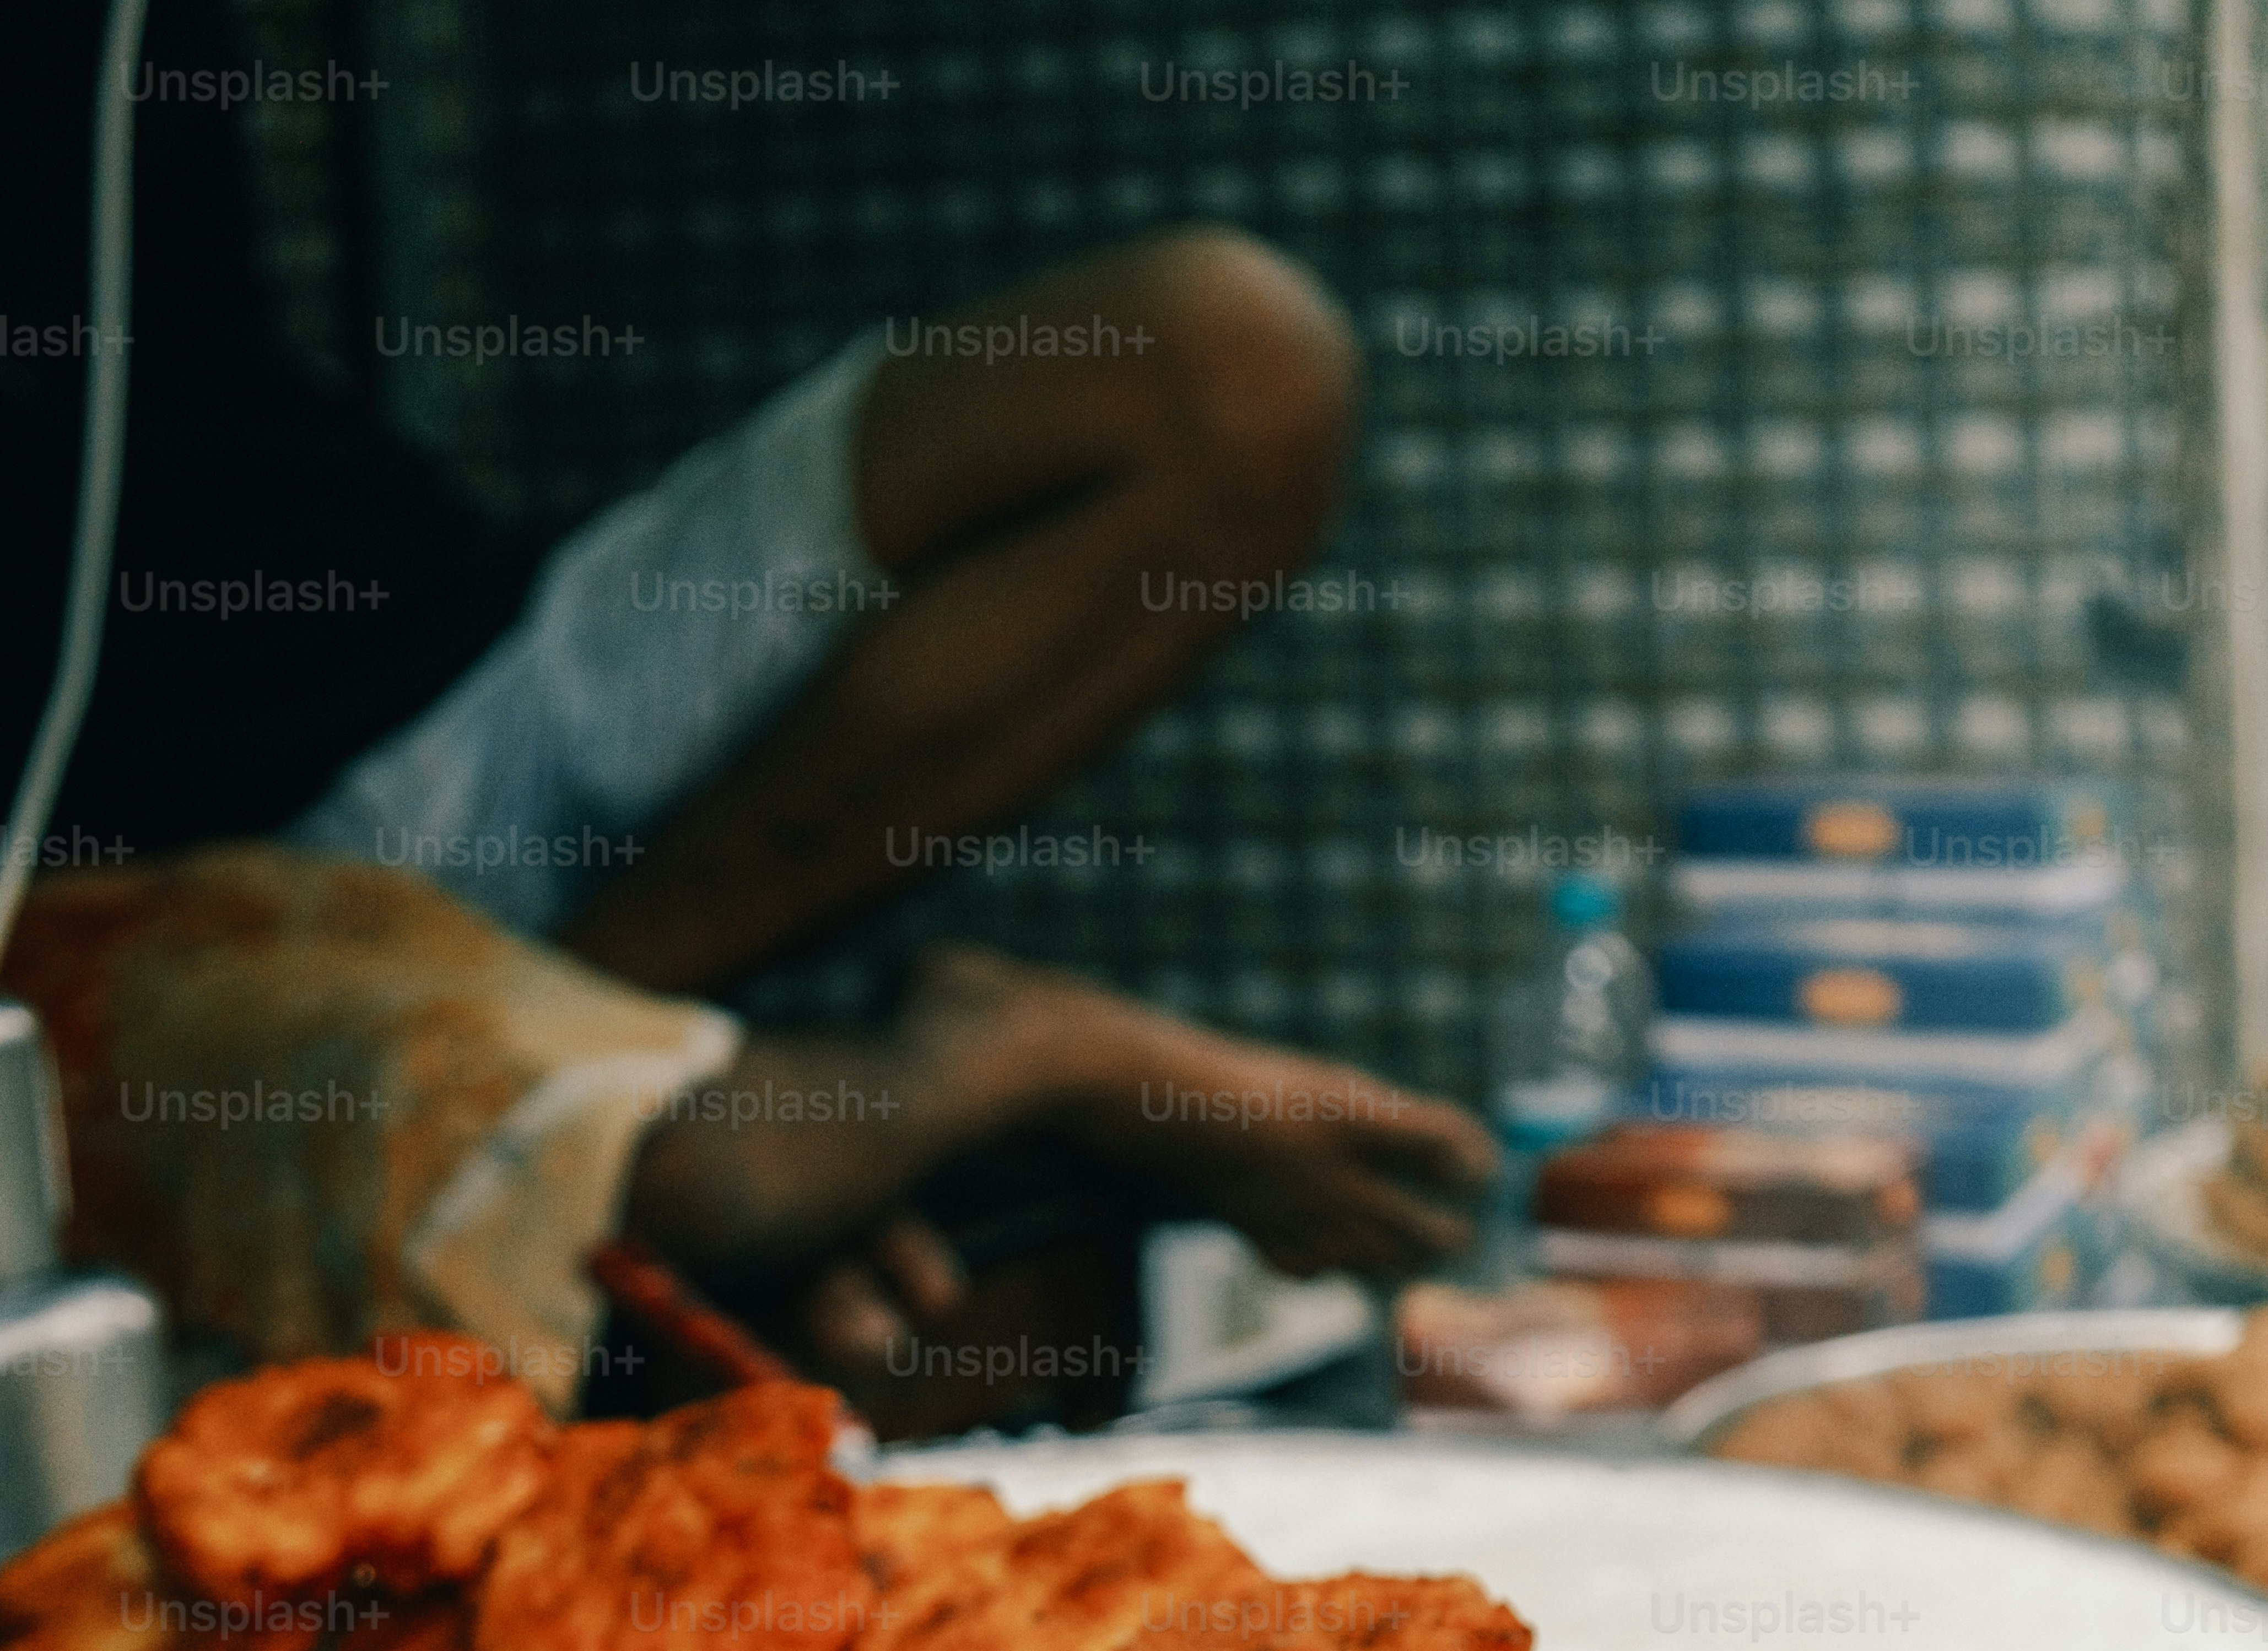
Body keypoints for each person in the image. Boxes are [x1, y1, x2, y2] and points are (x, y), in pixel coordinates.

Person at [6, 7, 1491, 1401]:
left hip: (437, 677)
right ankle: (928, 1075)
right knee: (795, 1262)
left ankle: (605, 1072)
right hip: (119, 893)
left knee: (1220, 360)